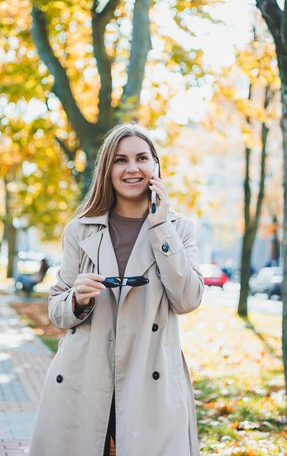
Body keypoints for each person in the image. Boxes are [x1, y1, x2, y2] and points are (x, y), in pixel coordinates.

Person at [29, 123, 204, 456]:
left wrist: (160, 227)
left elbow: (188, 299)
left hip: (149, 378)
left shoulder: (178, 228)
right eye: (121, 160)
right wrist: (76, 300)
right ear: (107, 169)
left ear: (155, 166)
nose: (132, 168)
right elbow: (57, 309)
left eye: (141, 158)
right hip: (85, 376)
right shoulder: (80, 230)